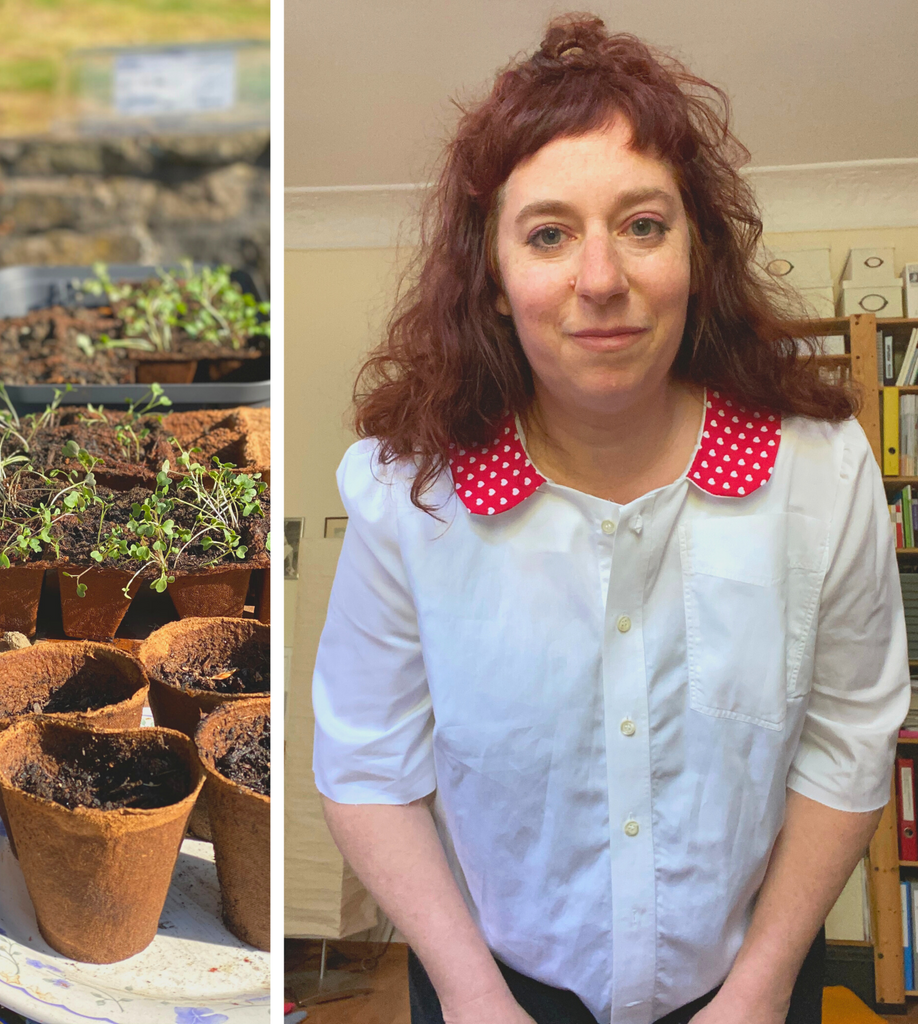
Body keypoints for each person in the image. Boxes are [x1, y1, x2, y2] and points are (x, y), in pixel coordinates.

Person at [310, 14, 910, 1024]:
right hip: (490, 985)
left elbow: (848, 733)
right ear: (493, 282)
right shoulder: (406, 495)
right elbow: (366, 762)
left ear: (694, 252)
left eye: (641, 224)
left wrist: (757, 991)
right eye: (547, 234)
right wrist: (469, 993)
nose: (600, 280)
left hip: (750, 981)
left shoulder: (818, 472)